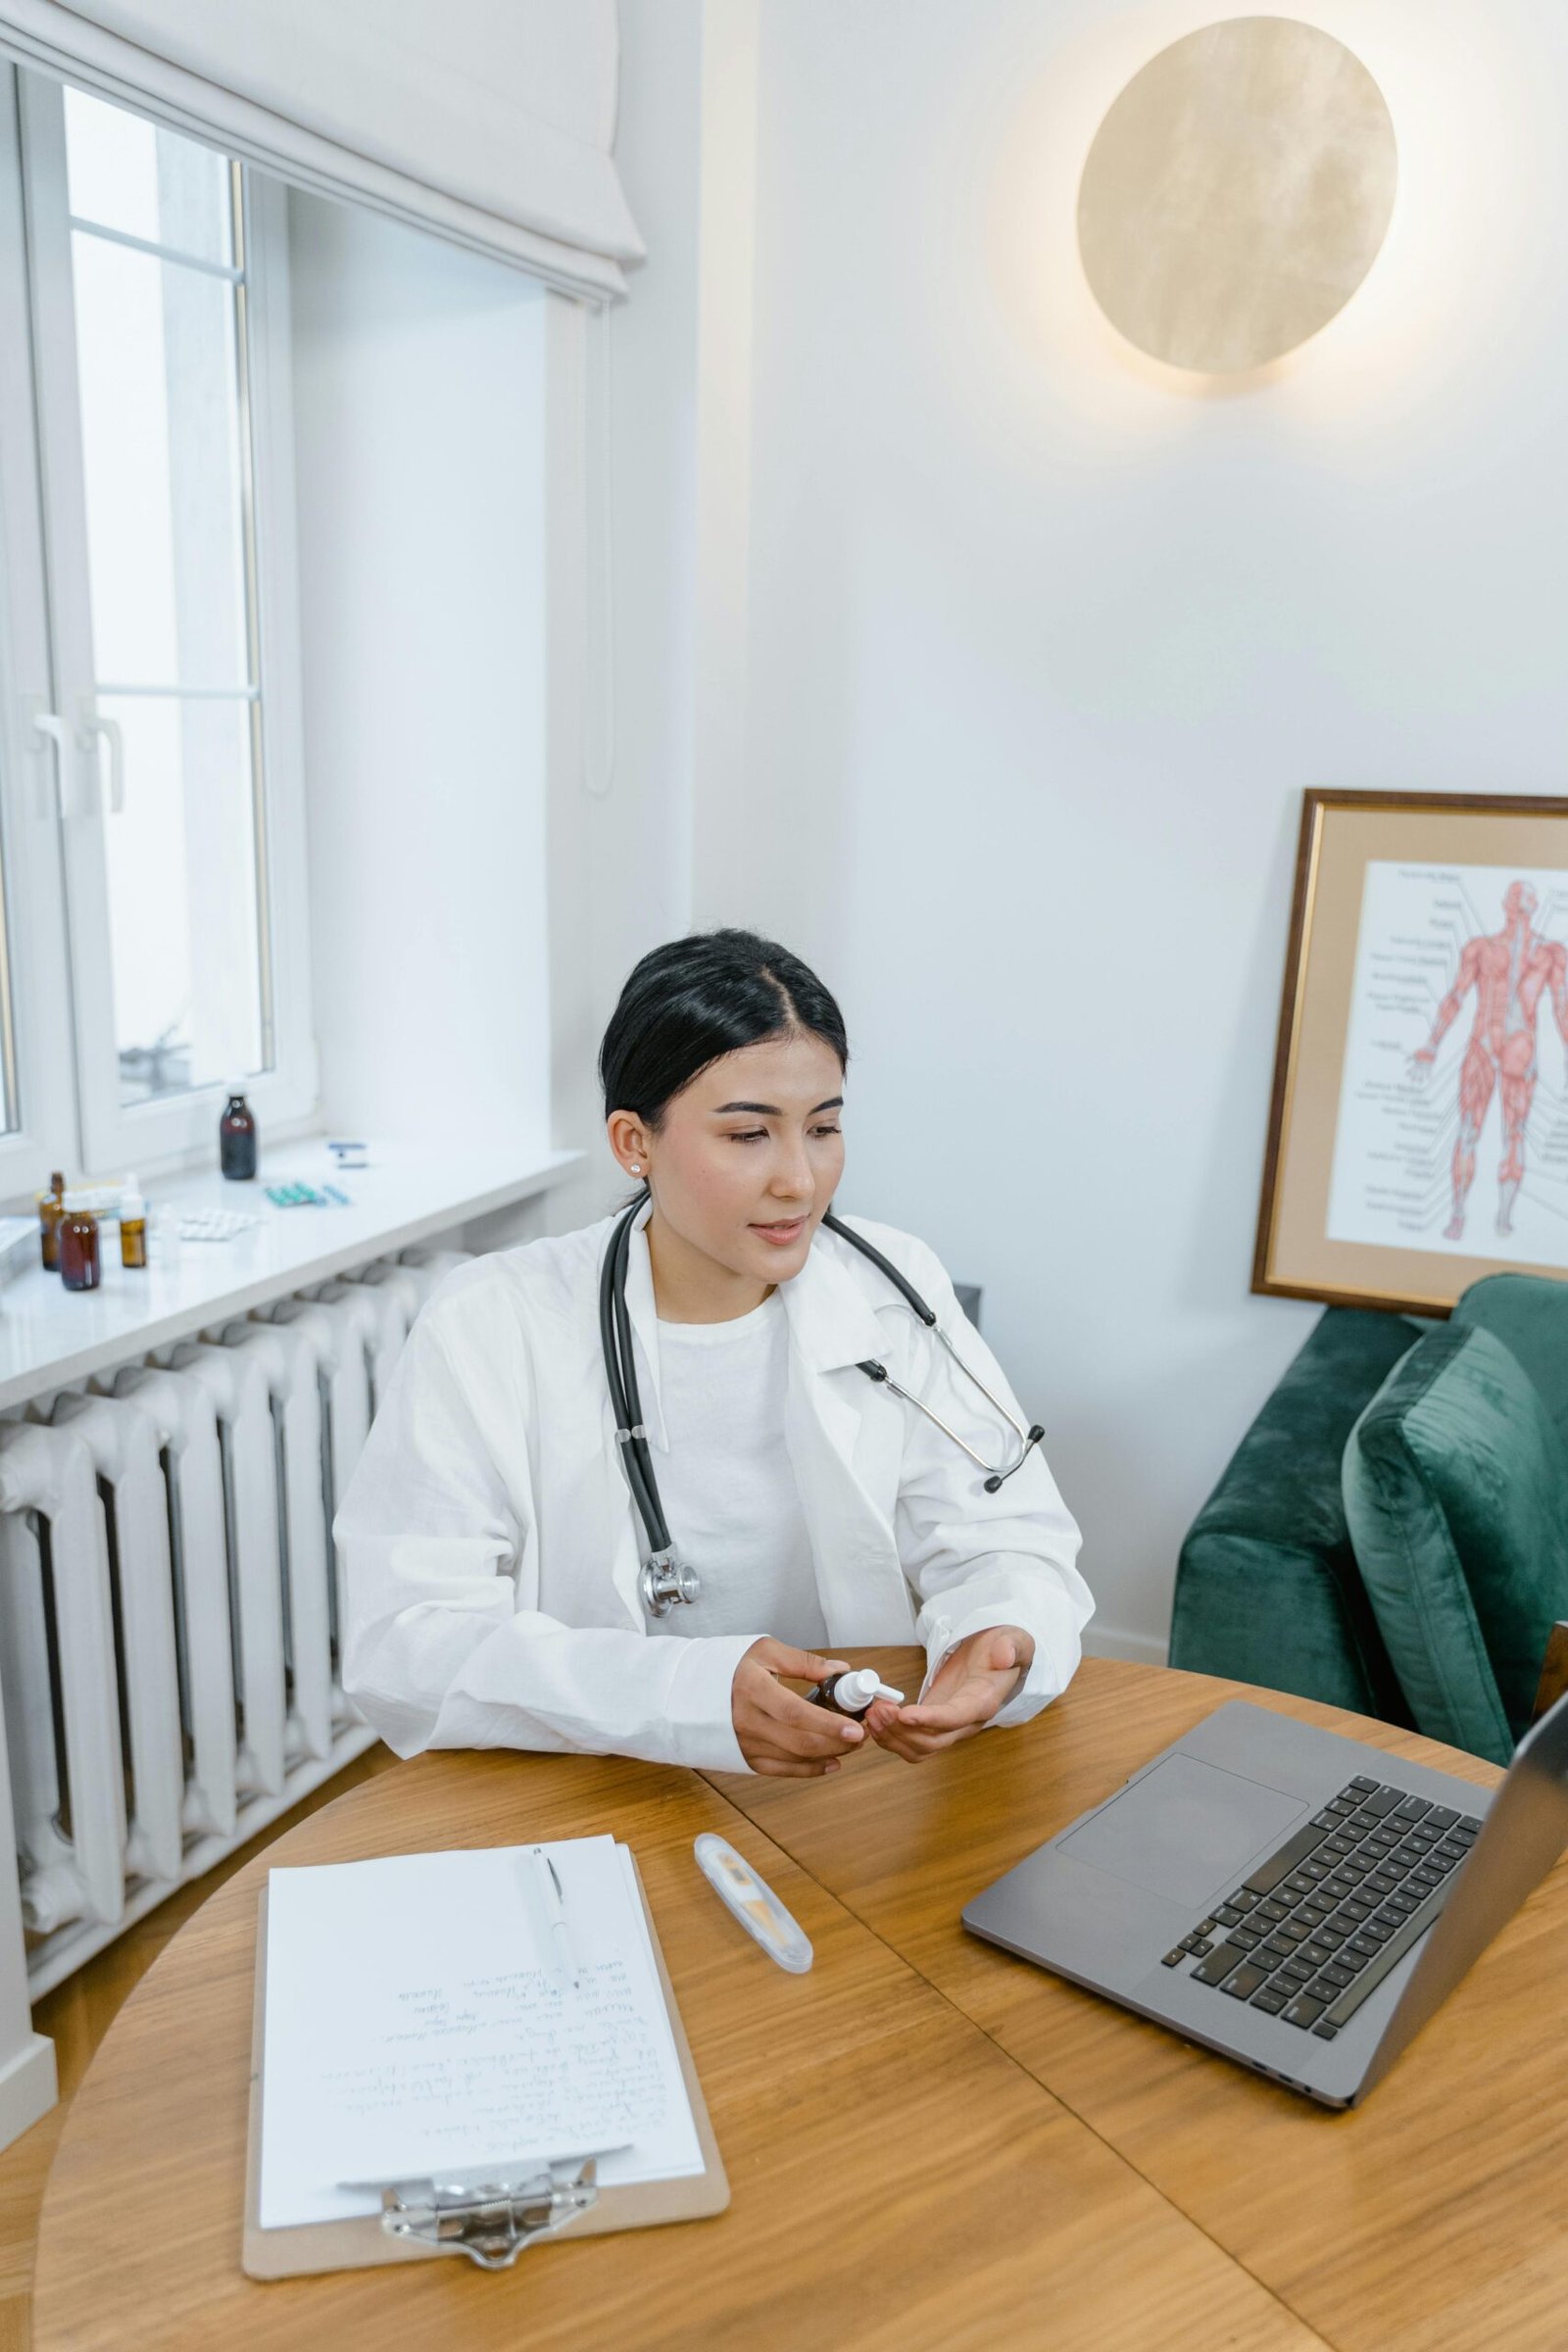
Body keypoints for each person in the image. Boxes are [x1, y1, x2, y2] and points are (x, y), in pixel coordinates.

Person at [337, 929, 1090, 1779]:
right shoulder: (492, 1321)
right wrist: (684, 1696)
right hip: (591, 1778)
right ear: (634, 1142)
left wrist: (1003, 1625)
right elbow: (404, 1643)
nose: (801, 1181)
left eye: (824, 1127)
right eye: (747, 1135)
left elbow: (1005, 1533)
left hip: (842, 1774)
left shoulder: (892, 1286)